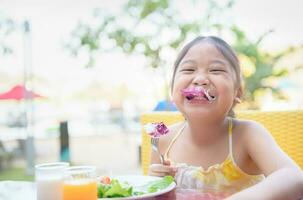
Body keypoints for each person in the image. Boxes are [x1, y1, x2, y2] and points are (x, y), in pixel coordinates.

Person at [148, 36, 303, 199]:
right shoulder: (162, 138)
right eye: (188, 70)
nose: (200, 79)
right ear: (173, 91)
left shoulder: (247, 134)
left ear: (238, 92)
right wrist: (154, 184)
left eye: (216, 70)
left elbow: (294, 177)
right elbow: (152, 192)